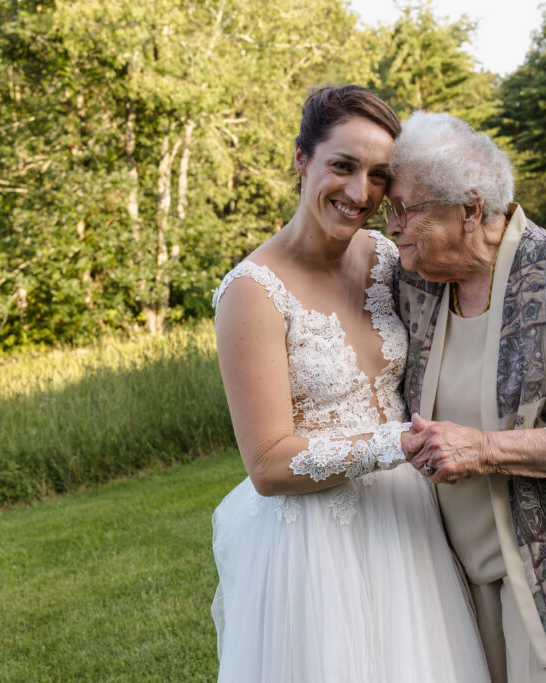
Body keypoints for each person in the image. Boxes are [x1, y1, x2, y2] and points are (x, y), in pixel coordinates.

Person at [209, 87, 490, 683]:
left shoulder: (387, 258)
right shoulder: (252, 293)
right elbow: (265, 463)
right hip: (314, 547)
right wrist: (395, 446)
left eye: (379, 175)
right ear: (301, 159)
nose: (360, 193)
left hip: (408, 520)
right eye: (342, 166)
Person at [387, 111, 546, 683]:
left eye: (405, 209)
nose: (392, 226)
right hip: (459, 574)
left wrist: (483, 448)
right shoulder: (417, 281)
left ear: (470, 210)